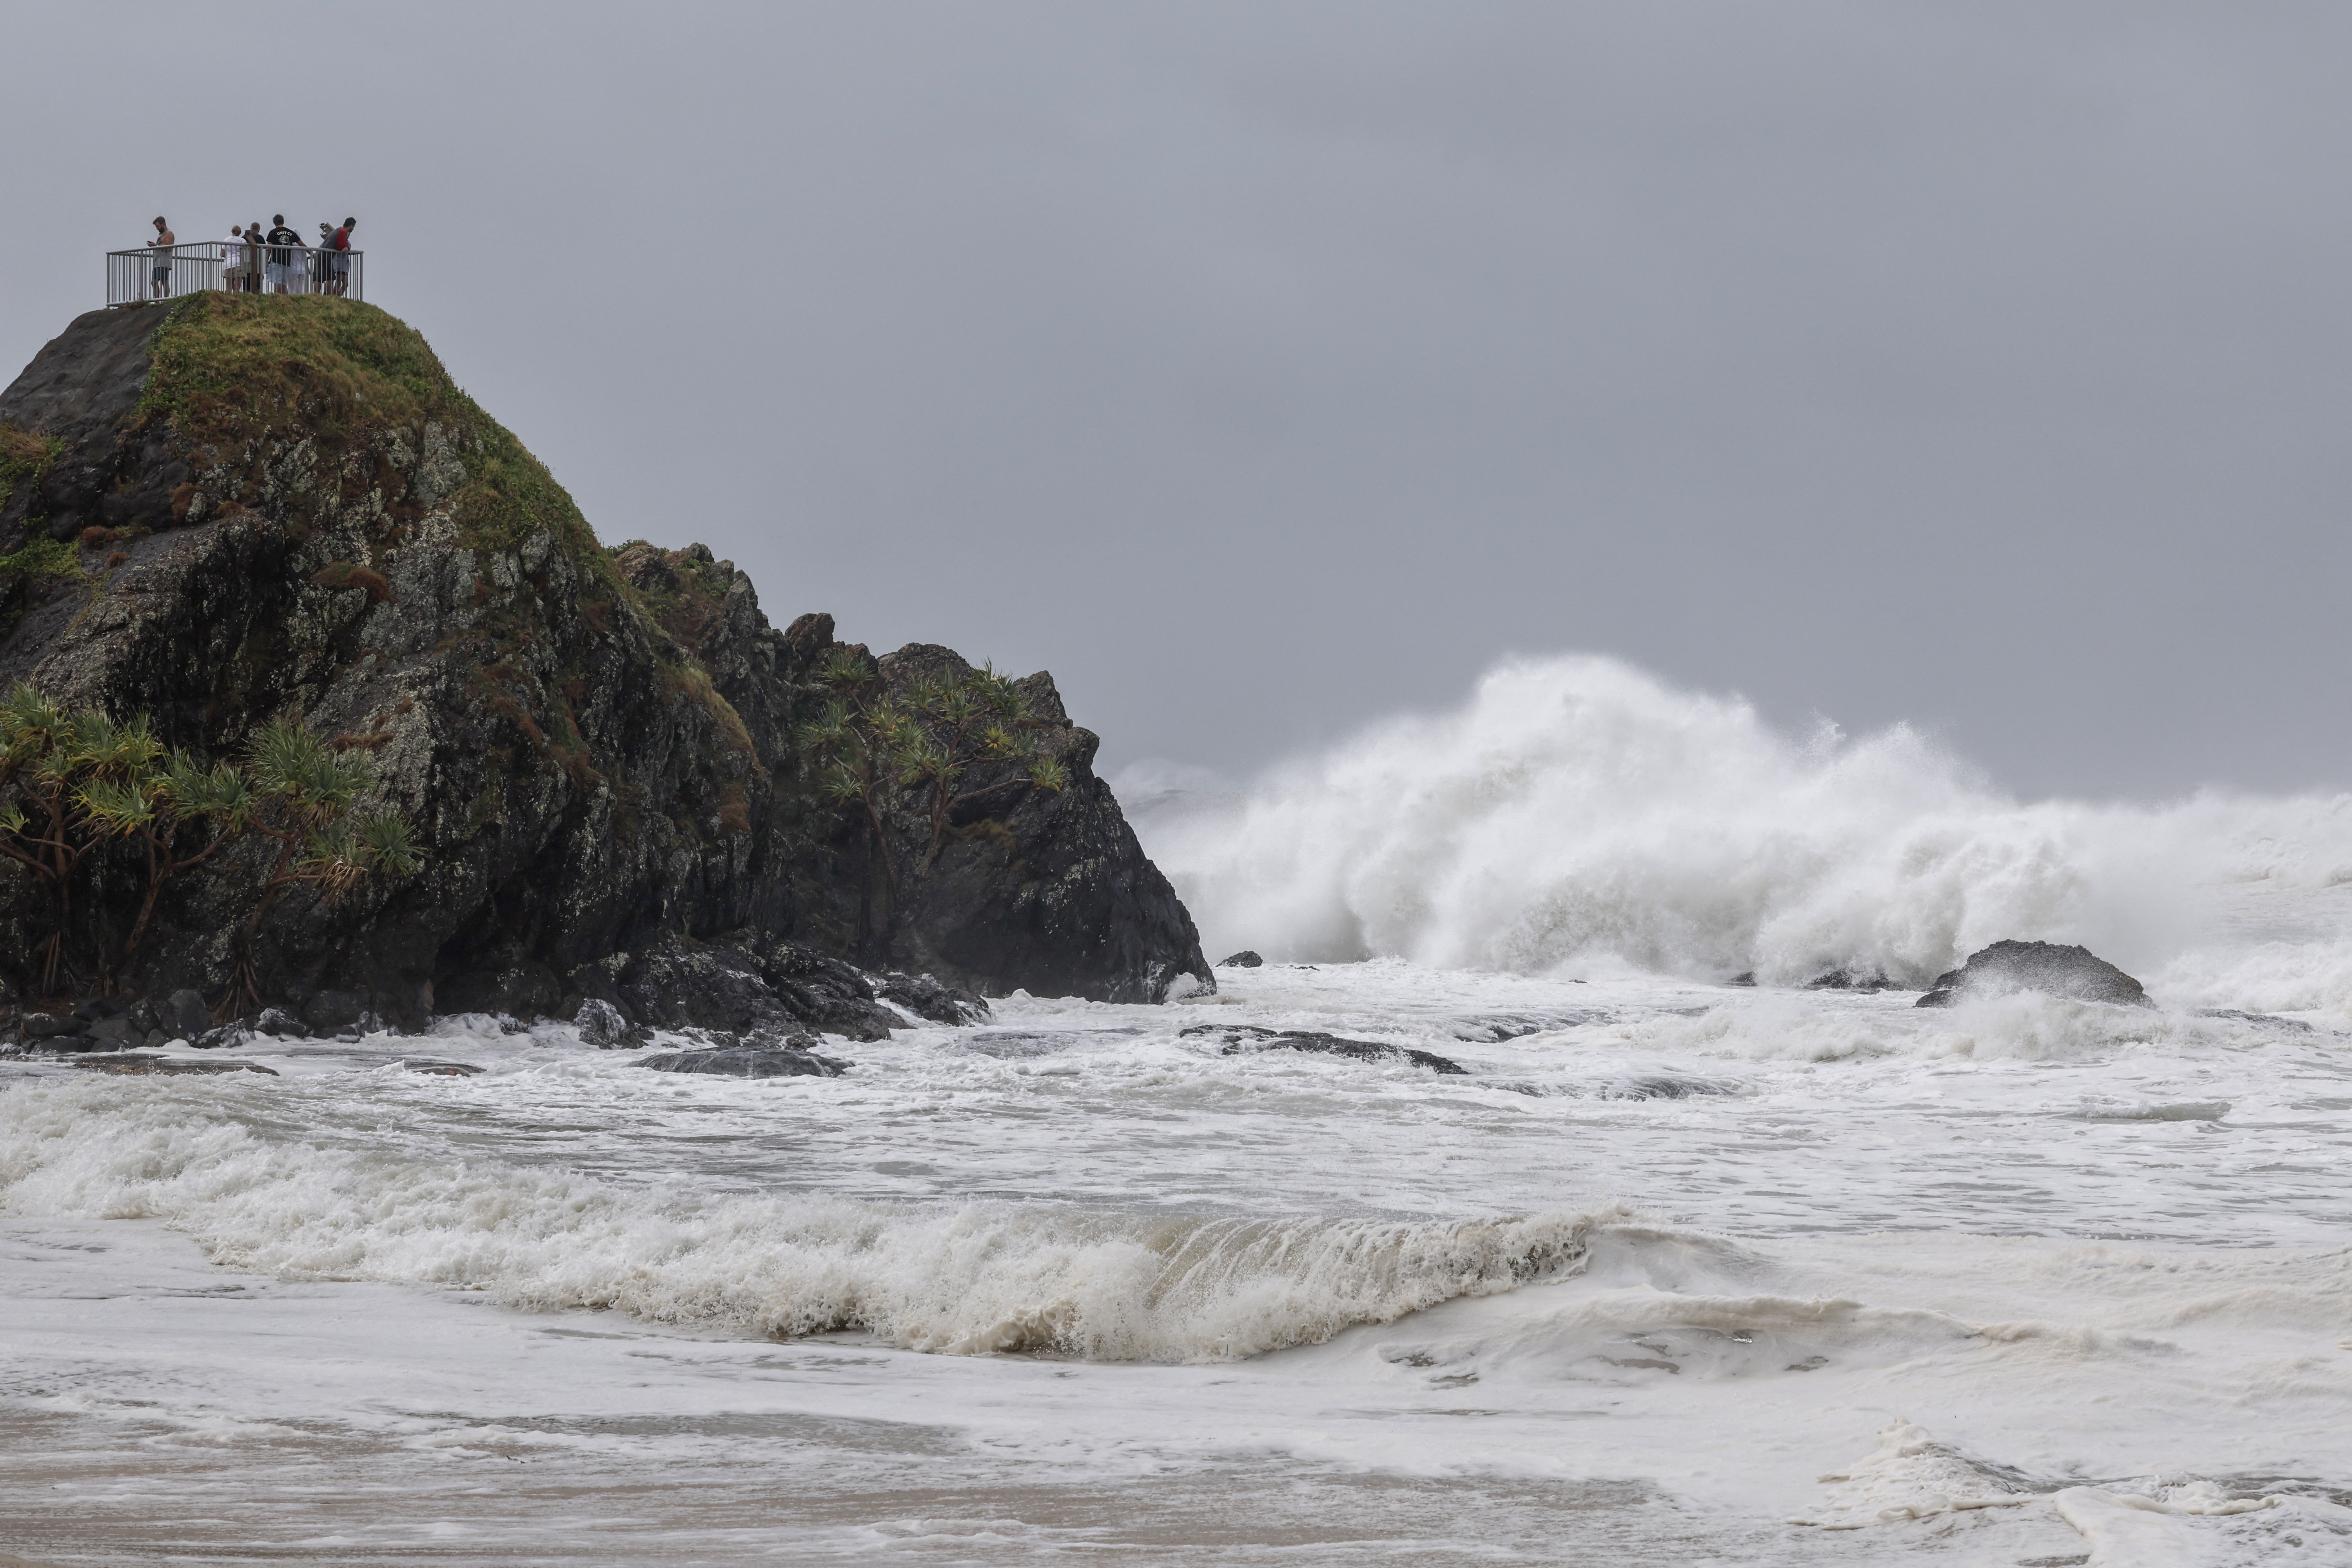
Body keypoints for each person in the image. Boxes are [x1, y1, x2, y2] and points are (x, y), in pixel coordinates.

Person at [263, 214, 301, 294]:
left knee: (278, 281)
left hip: (276, 260)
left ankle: (278, 297)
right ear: (283, 222)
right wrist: (310, 252)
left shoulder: (273, 232)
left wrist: (266, 260)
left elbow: (269, 247)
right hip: (287, 261)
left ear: (274, 223)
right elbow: (302, 244)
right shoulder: (290, 232)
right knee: (284, 281)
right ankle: (283, 297)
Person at [146, 216, 174, 299]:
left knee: (164, 281)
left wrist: (156, 246)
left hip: (164, 262)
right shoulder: (161, 234)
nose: (157, 229)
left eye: (158, 226)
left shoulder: (169, 234)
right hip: (157, 262)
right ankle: (157, 300)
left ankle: (165, 299)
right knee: (154, 282)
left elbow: (169, 248)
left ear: (163, 224)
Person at [330, 216, 354, 296]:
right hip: (339, 264)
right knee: (338, 283)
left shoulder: (346, 236)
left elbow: (347, 244)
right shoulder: (342, 233)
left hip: (344, 264)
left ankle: (337, 297)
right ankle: (333, 298)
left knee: (345, 284)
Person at [220, 225, 245, 292]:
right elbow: (246, 251)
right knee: (237, 287)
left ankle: (227, 301)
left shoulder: (226, 240)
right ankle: (236, 301)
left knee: (229, 287)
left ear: (232, 232)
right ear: (240, 233)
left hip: (228, 264)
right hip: (239, 264)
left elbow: (223, 254)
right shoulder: (242, 241)